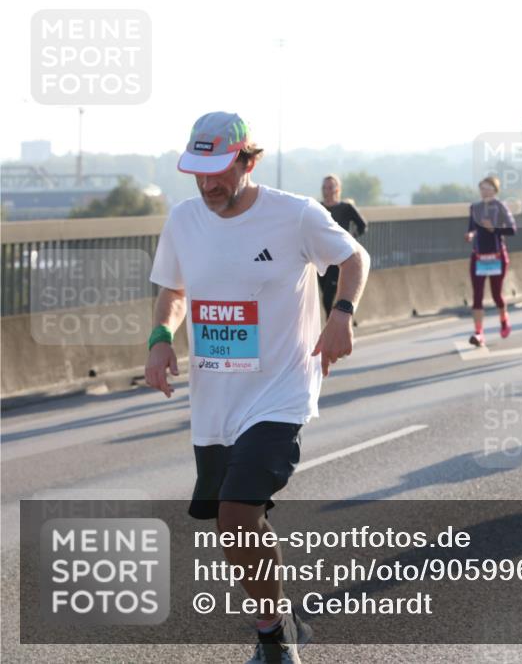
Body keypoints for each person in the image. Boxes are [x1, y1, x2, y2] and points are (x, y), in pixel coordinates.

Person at [146, 112, 371, 664]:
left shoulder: (293, 215)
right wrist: (159, 338)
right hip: (216, 399)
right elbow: (173, 290)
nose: (207, 183)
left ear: (249, 160)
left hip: (281, 389)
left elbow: (354, 257)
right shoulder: (183, 221)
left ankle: (275, 642)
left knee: (236, 513)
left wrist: (341, 314)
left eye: (219, 170)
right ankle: (274, 626)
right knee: (235, 527)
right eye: (198, 172)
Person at [466, 176, 516, 346]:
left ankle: (504, 320)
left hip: (497, 256)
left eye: (487, 188)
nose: (484, 191)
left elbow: (512, 229)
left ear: (495, 190)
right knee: (477, 296)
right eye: (482, 188)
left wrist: (493, 229)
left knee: (496, 294)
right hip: (479, 256)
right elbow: (472, 228)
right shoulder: (475, 208)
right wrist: (470, 235)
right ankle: (479, 333)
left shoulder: (500, 207)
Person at [318, 174, 367, 317]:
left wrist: (352, 238)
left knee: (330, 295)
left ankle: (333, 327)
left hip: (340, 258)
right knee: (325, 297)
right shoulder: (318, 208)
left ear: (337, 189)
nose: (328, 190)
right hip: (321, 258)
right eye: (325, 187)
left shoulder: (346, 208)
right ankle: (332, 323)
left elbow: (362, 225)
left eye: (331, 187)